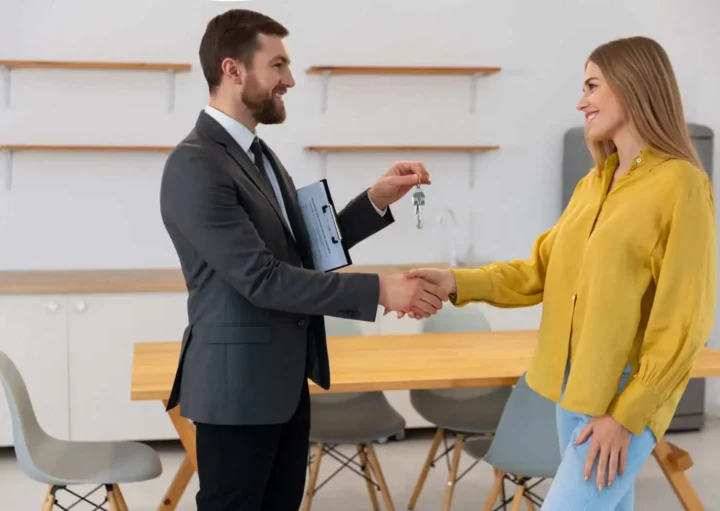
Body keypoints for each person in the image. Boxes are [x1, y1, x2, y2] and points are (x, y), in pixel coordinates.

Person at [404, 36, 716, 510]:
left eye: (592, 85)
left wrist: (626, 415)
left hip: (623, 395)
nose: (581, 101)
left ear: (633, 86)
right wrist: (455, 282)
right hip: (570, 388)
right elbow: (539, 272)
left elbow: (684, 321)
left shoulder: (681, 185)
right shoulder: (593, 184)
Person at [159, 9, 446, 511]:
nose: (289, 79)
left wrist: (375, 200)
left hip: (283, 384)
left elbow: (302, 252)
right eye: (278, 65)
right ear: (233, 70)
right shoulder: (196, 163)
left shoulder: (258, 155)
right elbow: (262, 278)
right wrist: (381, 289)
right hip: (237, 391)